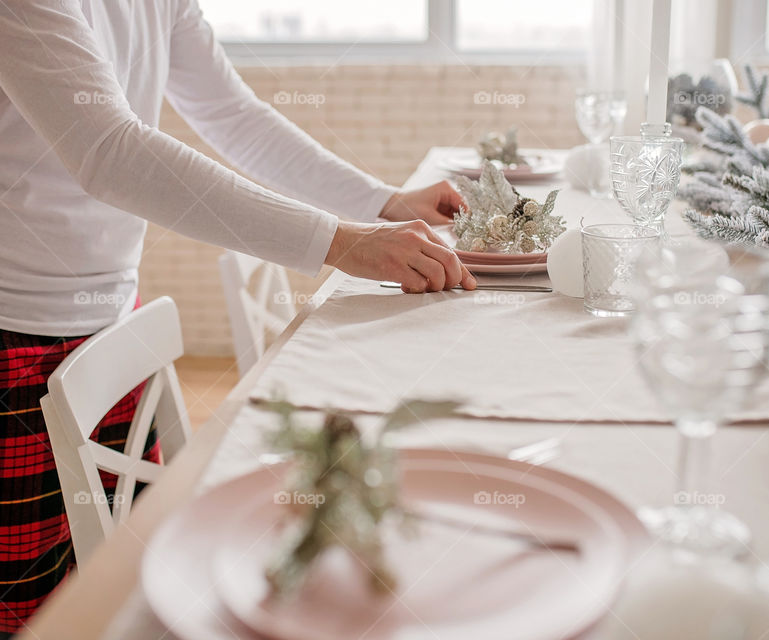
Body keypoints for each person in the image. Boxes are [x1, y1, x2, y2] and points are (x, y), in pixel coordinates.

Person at [0, 0, 476, 634]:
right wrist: (338, 241)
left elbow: (234, 116)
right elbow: (107, 150)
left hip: (110, 310)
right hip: (16, 324)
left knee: (122, 572)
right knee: (27, 606)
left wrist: (379, 203)